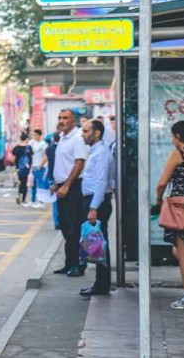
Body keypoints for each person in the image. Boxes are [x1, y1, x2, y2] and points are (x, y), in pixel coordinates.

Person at [154, 121, 184, 310]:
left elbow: (161, 183)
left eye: (173, 136)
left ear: (179, 136)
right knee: (180, 251)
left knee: (182, 252)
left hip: (181, 209)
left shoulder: (178, 154)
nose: (172, 140)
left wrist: (158, 200)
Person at [50, 110, 88, 276]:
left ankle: (78, 264)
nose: (61, 121)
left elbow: (79, 163)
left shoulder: (77, 138)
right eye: (59, 118)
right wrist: (56, 184)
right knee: (65, 227)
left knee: (74, 228)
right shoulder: (63, 138)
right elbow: (63, 164)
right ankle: (69, 263)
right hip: (62, 186)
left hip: (73, 187)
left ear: (74, 121)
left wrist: (66, 185)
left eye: (65, 118)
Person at [79, 119, 114, 297]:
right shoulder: (95, 151)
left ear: (97, 133)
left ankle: (102, 285)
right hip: (94, 200)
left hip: (97, 202)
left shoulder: (101, 153)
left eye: (86, 131)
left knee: (100, 243)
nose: (83, 134)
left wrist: (93, 208)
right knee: (97, 243)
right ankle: (100, 283)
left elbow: (101, 182)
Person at [43, 132, 61, 228]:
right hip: (62, 177)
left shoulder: (49, 149)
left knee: (55, 201)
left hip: (51, 176)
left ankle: (56, 222)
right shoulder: (62, 148)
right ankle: (62, 221)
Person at [28, 129, 48, 207]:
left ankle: (41, 201)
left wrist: (41, 165)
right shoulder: (32, 143)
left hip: (40, 166)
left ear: (40, 135)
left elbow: (46, 156)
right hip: (33, 166)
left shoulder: (43, 144)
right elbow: (30, 155)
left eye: (35, 135)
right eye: (33, 135)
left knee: (40, 184)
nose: (34, 136)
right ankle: (33, 200)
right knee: (32, 184)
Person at [12, 133, 32, 206]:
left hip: (19, 168)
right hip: (26, 168)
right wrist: (31, 166)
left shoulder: (16, 147)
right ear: (26, 139)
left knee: (21, 182)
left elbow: (13, 157)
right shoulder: (28, 148)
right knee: (25, 183)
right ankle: (23, 199)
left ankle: (19, 194)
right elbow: (31, 158)